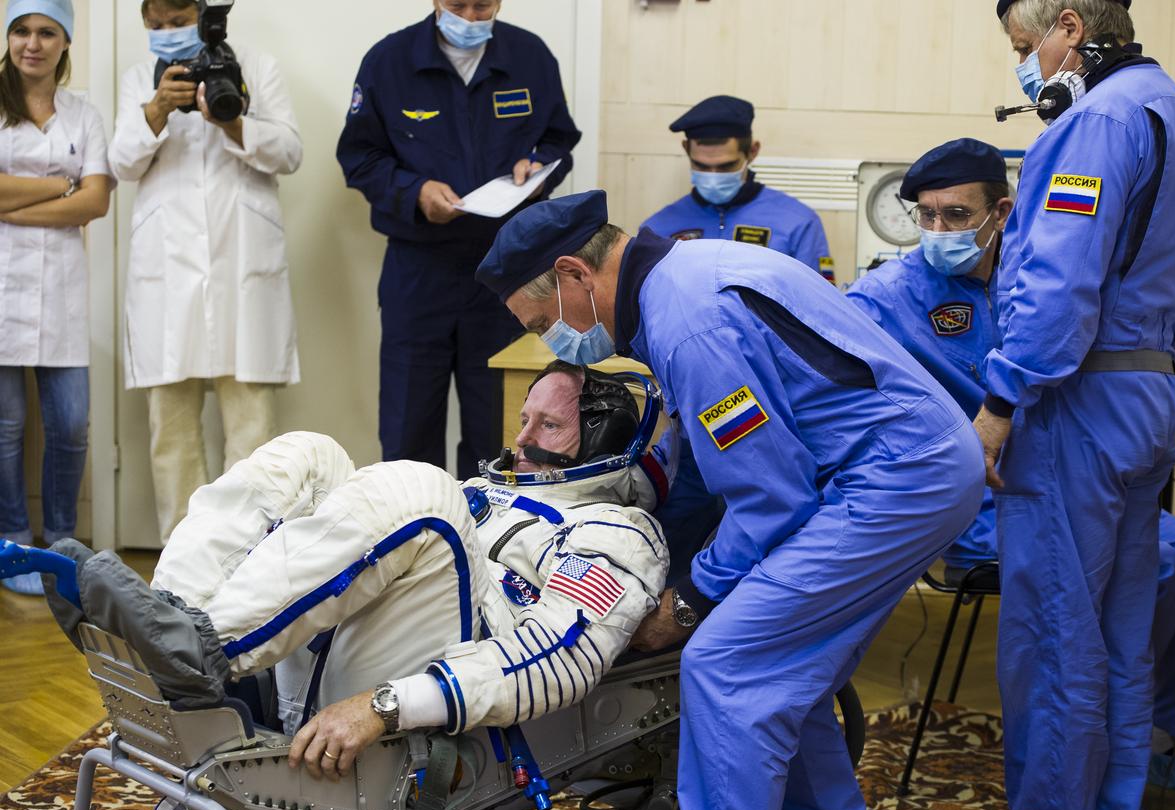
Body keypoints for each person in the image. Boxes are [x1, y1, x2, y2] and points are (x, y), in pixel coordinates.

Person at [477, 189, 985, 810]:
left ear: (576, 273)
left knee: (725, 663)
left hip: (896, 481)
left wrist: (684, 601)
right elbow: (701, 460)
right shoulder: (683, 276)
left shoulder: (688, 322)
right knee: (792, 666)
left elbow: (771, 497)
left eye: (544, 322)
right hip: (902, 467)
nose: (554, 341)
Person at [10, 365, 669, 780]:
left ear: (603, 444)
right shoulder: (488, 489)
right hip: (332, 653)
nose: (521, 438)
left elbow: (559, 657)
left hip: (438, 682)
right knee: (310, 454)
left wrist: (390, 704)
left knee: (422, 495)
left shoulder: (616, 535)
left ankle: (200, 649)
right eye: (523, 417)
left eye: (547, 424)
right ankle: (171, 626)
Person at [845, 137, 1175, 810]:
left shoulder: (1047, 278)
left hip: (1079, 476)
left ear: (1002, 211)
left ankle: (1173, 740)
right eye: (926, 215)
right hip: (980, 501)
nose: (937, 232)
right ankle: (1099, 748)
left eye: (955, 215)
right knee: (1154, 573)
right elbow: (838, 392)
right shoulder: (889, 294)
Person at [968, 1, 1175, 810]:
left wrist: (1001, 404)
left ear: (1069, 27)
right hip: (1148, 396)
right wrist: (1149, 367)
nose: (1024, 67)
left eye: (1022, 46)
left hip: (1077, 403)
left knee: (1055, 636)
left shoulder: (1096, 123)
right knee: (1118, 634)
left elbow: (1056, 284)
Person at [337, 0, 581, 475]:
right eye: (457, 4)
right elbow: (360, 157)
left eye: (482, 4)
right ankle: (413, 540)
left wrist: (537, 169)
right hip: (419, 269)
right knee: (409, 425)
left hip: (505, 271)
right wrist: (414, 191)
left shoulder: (530, 57)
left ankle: (490, 540)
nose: (470, 17)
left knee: (501, 424)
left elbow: (558, 140)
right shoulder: (389, 62)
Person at [109, 0, 303, 544]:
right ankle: (182, 557)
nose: (169, 34)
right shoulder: (136, 80)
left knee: (252, 433)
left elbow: (290, 151)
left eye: (180, 22)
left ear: (205, 16)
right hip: (166, 279)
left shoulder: (256, 66)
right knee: (170, 433)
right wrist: (154, 112)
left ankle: (249, 555)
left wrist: (234, 121)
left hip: (243, 270)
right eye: (158, 25)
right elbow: (121, 163)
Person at [0, 0, 111, 593]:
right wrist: (56, 185)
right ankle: (14, 544)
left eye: (47, 32)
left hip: (63, 292)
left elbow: (95, 202)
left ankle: (63, 542)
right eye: (21, 31)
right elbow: (75, 194)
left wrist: (15, 199)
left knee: (69, 425)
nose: (32, 43)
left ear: (65, 43)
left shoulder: (84, 115)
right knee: (5, 429)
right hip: (0, 289)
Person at [641, 95, 835, 282]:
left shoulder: (798, 223)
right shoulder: (658, 228)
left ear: (752, 152)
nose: (714, 175)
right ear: (686, 149)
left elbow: (819, 307)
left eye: (726, 167)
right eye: (701, 166)